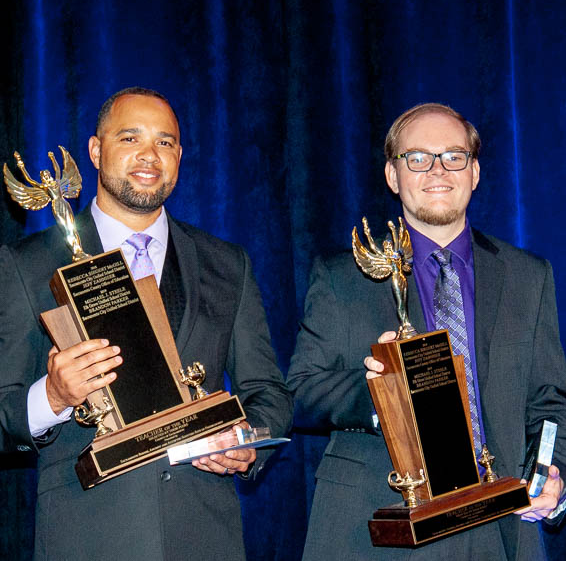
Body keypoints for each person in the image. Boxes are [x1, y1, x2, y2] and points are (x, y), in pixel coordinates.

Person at [0, 87, 292, 561]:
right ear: (96, 151)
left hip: (204, 536)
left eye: (165, 142)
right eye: (130, 138)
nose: (149, 156)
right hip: (89, 536)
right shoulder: (26, 265)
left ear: (180, 155)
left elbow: (268, 390)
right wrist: (52, 396)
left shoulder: (227, 264)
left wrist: (246, 438)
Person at [287, 103, 566, 560]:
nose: (438, 170)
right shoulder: (343, 277)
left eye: (454, 156)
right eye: (417, 157)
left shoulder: (528, 276)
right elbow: (298, 393)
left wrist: (552, 475)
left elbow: (550, 402)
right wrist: (380, 395)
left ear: (474, 172)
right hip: (378, 527)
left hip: (500, 530)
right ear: (393, 176)